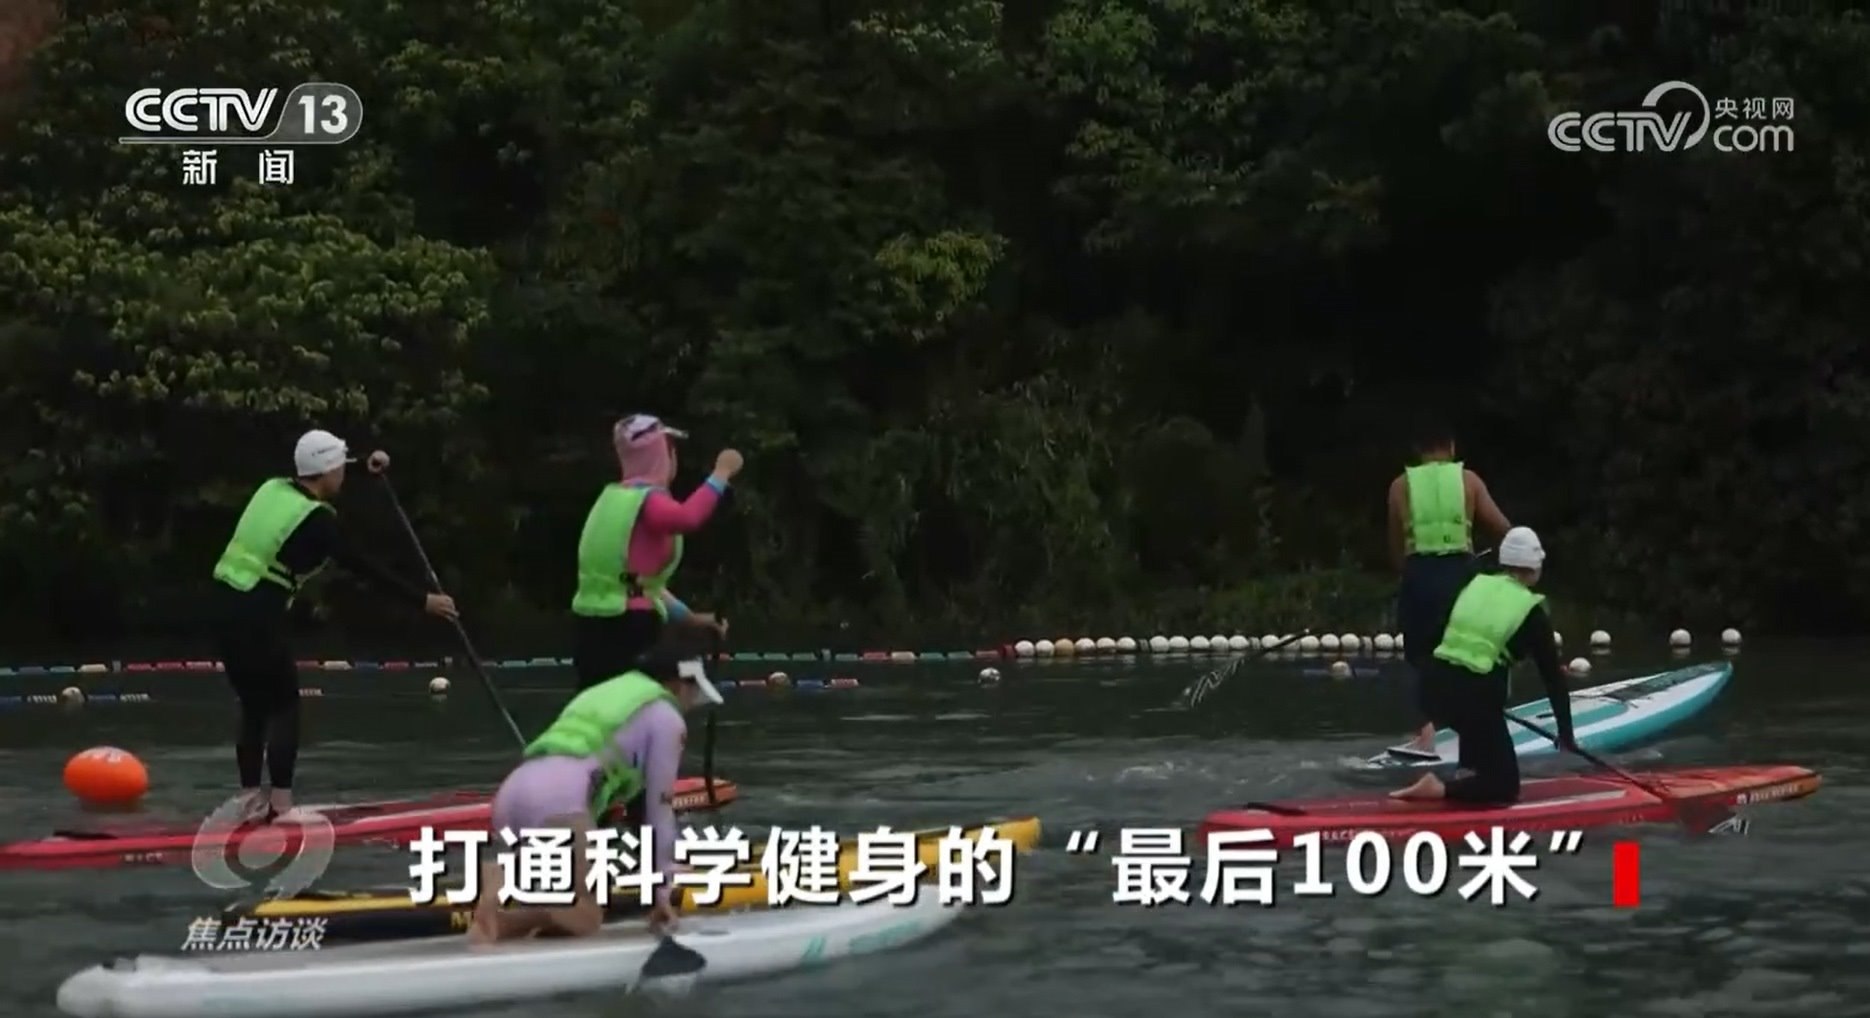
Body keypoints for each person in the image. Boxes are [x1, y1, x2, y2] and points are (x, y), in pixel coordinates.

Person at [209, 430, 457, 819]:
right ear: (327, 469)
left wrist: (364, 465)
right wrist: (423, 600)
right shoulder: (318, 521)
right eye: (341, 465)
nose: (344, 472)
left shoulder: (273, 488)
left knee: (254, 704)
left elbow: (320, 471)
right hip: (258, 615)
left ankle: (249, 799)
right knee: (285, 704)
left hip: (222, 606)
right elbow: (363, 566)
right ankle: (281, 807)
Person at [468, 627, 724, 943]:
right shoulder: (667, 718)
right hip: (558, 804)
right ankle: (500, 915)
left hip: (511, 794)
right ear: (678, 683)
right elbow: (660, 809)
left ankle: (494, 906)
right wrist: (661, 888)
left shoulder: (604, 693)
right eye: (694, 692)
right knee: (585, 916)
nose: (692, 703)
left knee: (552, 893)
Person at [1391, 526, 1574, 803]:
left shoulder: (1474, 585)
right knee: (1505, 787)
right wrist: (1566, 734)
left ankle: (1466, 773)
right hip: (1473, 697)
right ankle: (1439, 789)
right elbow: (1553, 679)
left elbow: (1435, 640)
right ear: (1535, 567)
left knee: (1476, 721)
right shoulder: (1532, 612)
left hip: (1431, 690)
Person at [570, 414, 740, 691]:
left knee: (598, 700)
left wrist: (692, 619)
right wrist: (721, 474)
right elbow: (688, 518)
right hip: (628, 627)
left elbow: (639, 586)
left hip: (590, 625)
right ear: (662, 456)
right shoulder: (648, 500)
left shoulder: (612, 499)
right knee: (667, 685)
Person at [1386, 421, 1513, 751]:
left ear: (1418, 450)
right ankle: (1474, 724)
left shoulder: (1399, 486)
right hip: (1460, 574)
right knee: (1464, 651)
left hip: (1418, 575)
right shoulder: (1468, 481)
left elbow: (1396, 547)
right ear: (1452, 446)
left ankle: (1426, 731)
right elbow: (1503, 529)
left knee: (1420, 657)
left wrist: (1409, 576)